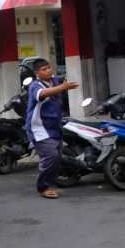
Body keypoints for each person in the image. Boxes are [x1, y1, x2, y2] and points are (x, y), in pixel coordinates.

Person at [25, 58, 77, 199]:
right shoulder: (35, 85)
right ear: (37, 73)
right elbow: (41, 94)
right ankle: (43, 187)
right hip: (39, 128)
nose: (48, 71)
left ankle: (49, 184)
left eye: (48, 68)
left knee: (58, 156)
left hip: (55, 126)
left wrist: (66, 81)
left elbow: (62, 80)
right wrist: (63, 87)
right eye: (44, 69)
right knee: (51, 156)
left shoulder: (53, 81)